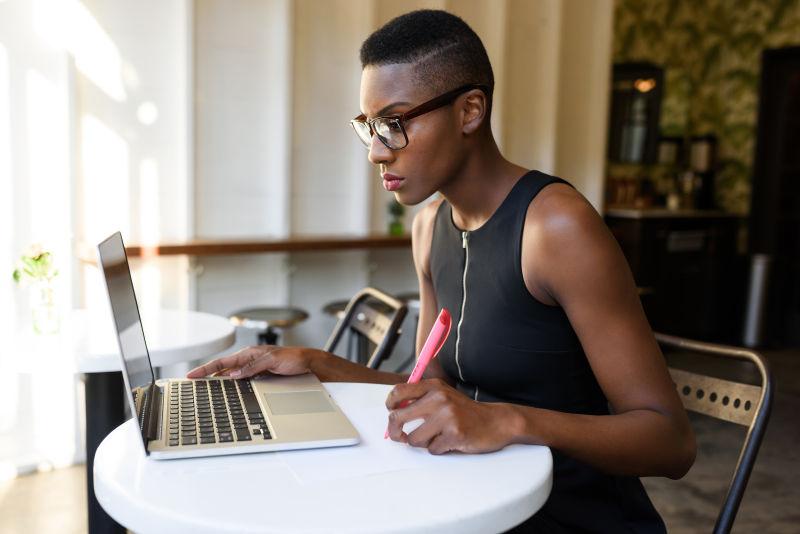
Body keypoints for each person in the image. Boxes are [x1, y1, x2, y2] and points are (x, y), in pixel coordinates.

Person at [187, 9, 695, 533]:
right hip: (470, 505)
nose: (377, 153)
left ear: (470, 111)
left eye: (396, 123)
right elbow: (430, 383)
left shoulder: (556, 227)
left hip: (569, 517)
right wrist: (317, 364)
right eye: (369, 127)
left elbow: (670, 443)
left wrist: (507, 420)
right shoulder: (430, 227)